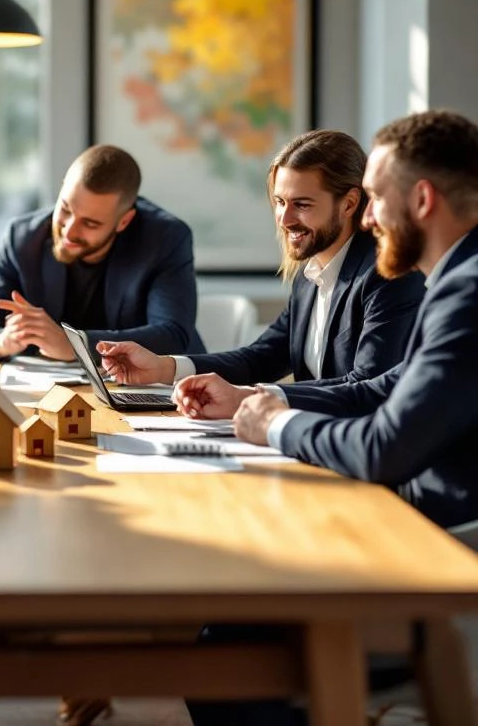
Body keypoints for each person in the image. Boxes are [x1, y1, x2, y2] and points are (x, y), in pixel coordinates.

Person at [182, 109, 478, 726]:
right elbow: (393, 385)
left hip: (443, 550)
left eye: (375, 198)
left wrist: (276, 424)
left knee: (222, 647)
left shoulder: (465, 292)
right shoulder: (455, 278)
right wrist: (263, 401)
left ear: (422, 200)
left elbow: (384, 447)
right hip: (421, 520)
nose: (367, 218)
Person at [97, 130, 425, 401]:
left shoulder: (387, 275)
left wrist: (252, 397)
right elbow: (263, 357)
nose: (284, 219)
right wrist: (162, 367)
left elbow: (367, 385)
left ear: (349, 203)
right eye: (280, 202)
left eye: (302, 204)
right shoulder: (310, 274)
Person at [0, 144, 204, 362]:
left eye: (90, 223)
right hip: (55, 387)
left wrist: (74, 345)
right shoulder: (23, 238)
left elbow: (172, 334)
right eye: (65, 209)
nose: (69, 230)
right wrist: (2, 341)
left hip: (156, 390)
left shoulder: (165, 238)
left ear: (124, 221)